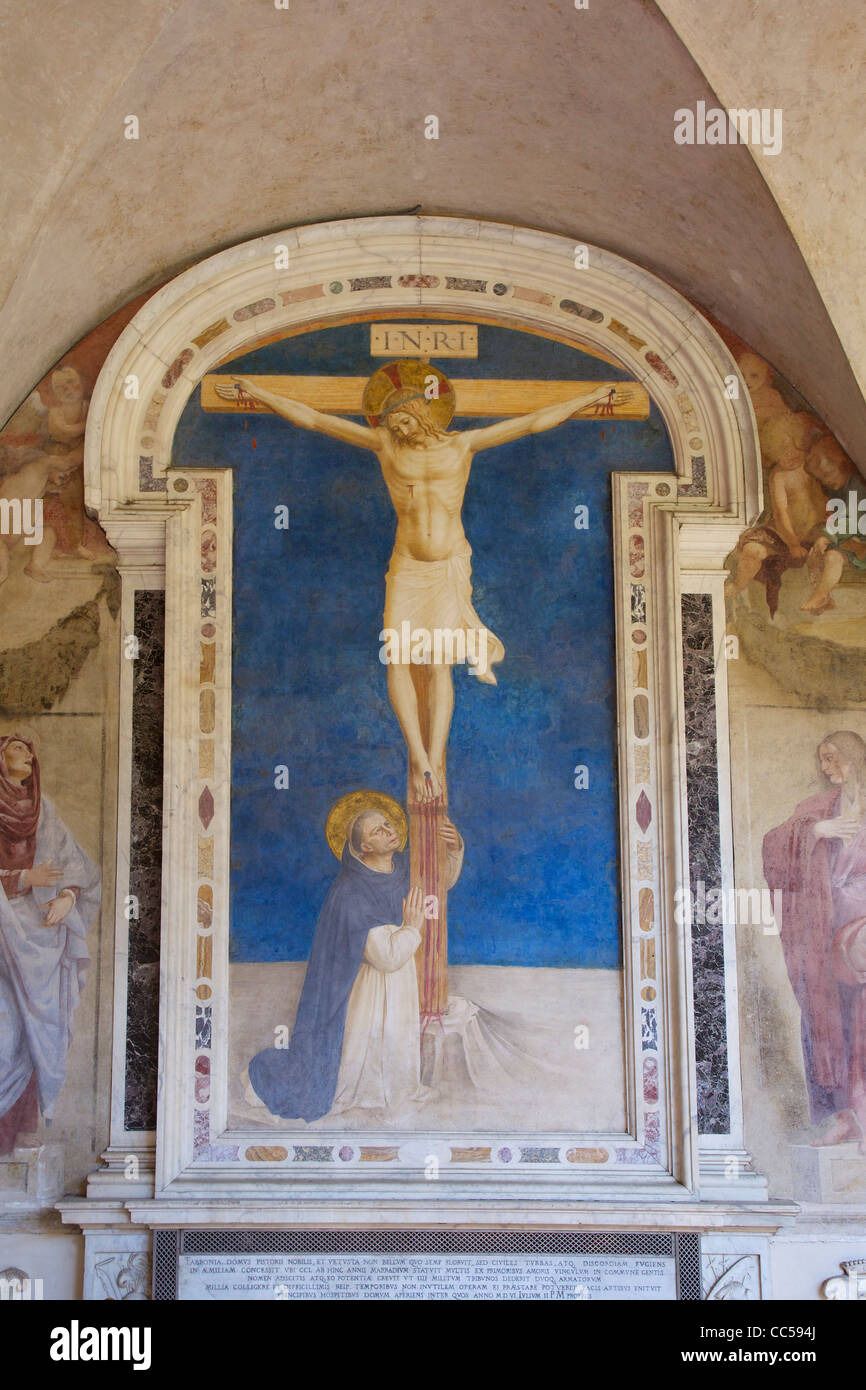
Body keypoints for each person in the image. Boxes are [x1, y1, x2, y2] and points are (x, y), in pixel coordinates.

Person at [216, 370, 636, 802]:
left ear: (420, 412)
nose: (398, 429)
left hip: (449, 565)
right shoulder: (384, 446)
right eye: (392, 424)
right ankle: (417, 755)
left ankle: (434, 755)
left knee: (438, 663)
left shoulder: (463, 445)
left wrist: (589, 397)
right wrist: (258, 393)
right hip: (409, 566)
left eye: (403, 421)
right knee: (397, 656)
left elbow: (530, 423)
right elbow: (316, 420)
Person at [247, 804, 463, 1122]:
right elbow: (386, 957)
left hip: (402, 979)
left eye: (388, 825)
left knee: (398, 1033)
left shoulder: (404, 867)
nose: (390, 831)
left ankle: (402, 1088)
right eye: (378, 830)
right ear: (364, 847)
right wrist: (412, 928)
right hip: (368, 989)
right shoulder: (350, 892)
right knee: (374, 1041)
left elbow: (438, 883)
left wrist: (454, 848)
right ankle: (371, 1092)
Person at [763, 731, 866, 1151]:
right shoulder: (816, 809)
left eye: (831, 758)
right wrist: (816, 830)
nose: (825, 768)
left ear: (854, 757)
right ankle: (841, 1116)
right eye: (822, 760)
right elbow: (772, 848)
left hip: (861, 929)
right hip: (822, 931)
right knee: (827, 1021)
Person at [0, 730, 100, 1154]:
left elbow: (78, 867)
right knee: (4, 1029)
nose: (26, 754)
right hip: (3, 936)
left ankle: (22, 1132)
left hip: (39, 937)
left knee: (36, 1031)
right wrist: (23, 878)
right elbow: (29, 875)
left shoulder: (46, 812)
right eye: (16, 747)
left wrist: (67, 897)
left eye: (28, 749)